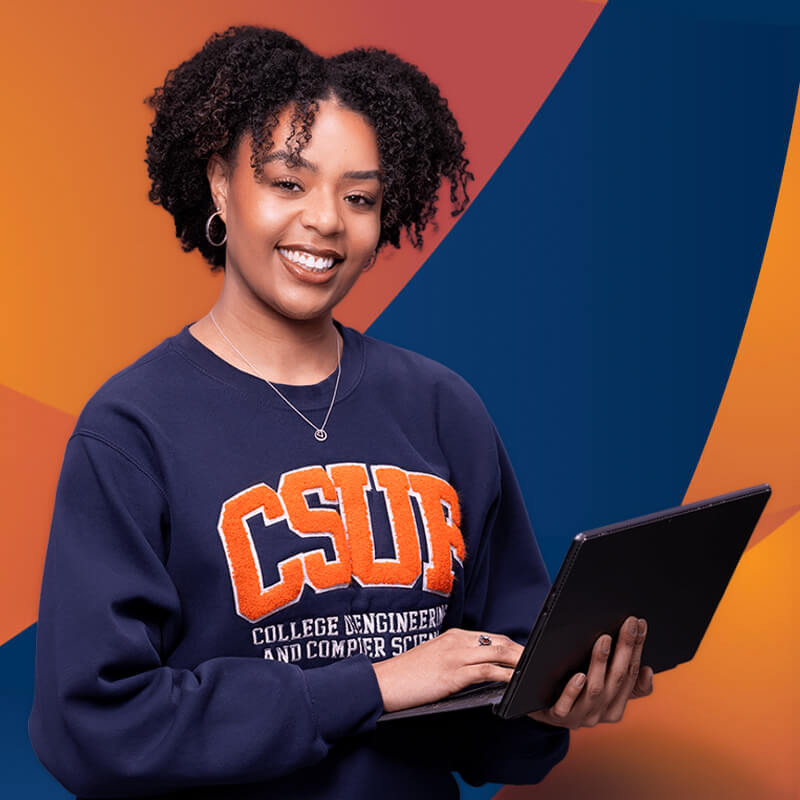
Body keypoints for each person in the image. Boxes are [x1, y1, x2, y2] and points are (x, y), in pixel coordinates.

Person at [29, 26, 654, 799]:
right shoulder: (131, 429)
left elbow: (486, 711)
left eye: (359, 197)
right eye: (288, 183)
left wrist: (553, 706)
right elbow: (93, 727)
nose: (326, 220)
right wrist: (376, 685)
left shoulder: (441, 408)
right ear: (221, 184)